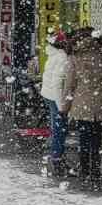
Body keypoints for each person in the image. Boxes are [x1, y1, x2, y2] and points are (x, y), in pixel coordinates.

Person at [63, 28, 102, 183]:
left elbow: (69, 85)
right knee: (96, 139)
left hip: (82, 104)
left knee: (84, 138)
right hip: (100, 104)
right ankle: (95, 171)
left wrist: (64, 107)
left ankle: (84, 171)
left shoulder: (75, 58)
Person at [39, 30, 71, 177]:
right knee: (60, 129)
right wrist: (61, 106)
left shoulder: (53, 55)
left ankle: (56, 156)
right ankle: (57, 158)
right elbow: (58, 83)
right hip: (56, 97)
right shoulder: (62, 57)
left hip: (49, 95)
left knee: (56, 128)